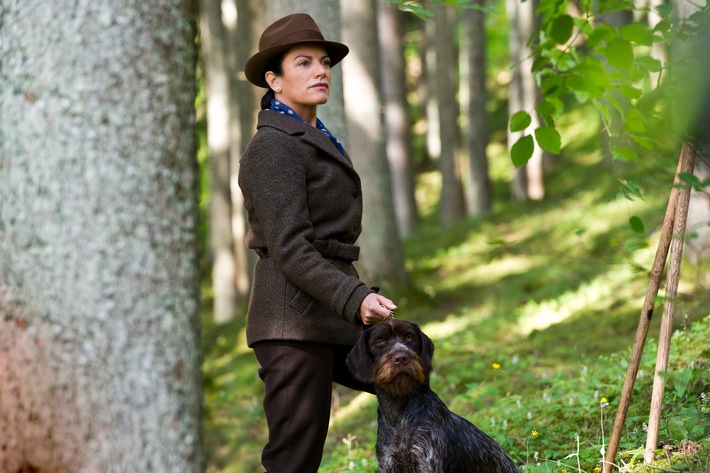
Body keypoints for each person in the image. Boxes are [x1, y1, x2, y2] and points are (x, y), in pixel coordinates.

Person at [239, 13, 398, 473]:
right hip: (290, 322)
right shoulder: (272, 146)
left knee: (407, 378)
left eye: (324, 62)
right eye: (303, 63)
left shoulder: (312, 136)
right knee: (294, 458)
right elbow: (290, 247)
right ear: (275, 79)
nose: (320, 71)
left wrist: (352, 297)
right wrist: (356, 298)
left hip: (328, 311)